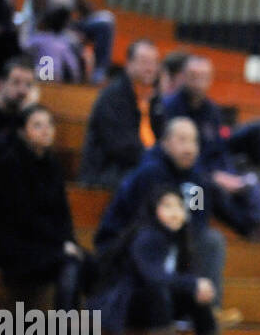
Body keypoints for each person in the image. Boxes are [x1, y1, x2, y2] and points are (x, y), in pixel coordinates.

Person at [90, 185, 253, 335]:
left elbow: (184, 277)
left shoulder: (181, 239)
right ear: (154, 209)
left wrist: (197, 287)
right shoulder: (146, 236)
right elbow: (153, 276)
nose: (175, 213)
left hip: (159, 308)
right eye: (167, 206)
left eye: (179, 207)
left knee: (195, 297)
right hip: (126, 307)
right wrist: (193, 284)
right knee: (160, 290)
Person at [155, 55, 260, 248]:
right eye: (193, 76)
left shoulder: (212, 110)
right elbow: (171, 155)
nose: (198, 82)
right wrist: (214, 176)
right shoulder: (168, 107)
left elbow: (219, 150)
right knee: (209, 190)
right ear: (183, 76)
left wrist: (230, 176)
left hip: (211, 171)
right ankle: (254, 229)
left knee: (249, 182)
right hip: (184, 177)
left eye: (203, 77)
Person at [95, 117, 229, 308]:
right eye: (182, 140)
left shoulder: (197, 182)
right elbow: (137, 222)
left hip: (174, 241)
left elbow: (199, 221)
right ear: (165, 143)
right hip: (132, 242)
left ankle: (208, 308)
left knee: (210, 240)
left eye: (194, 141)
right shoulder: (149, 174)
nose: (189, 148)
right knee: (153, 239)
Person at [0, 105, 85, 309]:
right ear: (22, 131)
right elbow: (22, 216)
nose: (46, 130)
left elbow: (63, 212)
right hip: (17, 245)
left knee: (87, 264)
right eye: (38, 125)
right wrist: (61, 245)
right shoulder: (9, 164)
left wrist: (69, 240)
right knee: (70, 264)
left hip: (47, 245)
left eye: (49, 124)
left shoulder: (53, 164)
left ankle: (65, 332)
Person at [79, 38, 161, 189]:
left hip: (145, 165)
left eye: (154, 62)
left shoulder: (156, 99)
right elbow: (121, 147)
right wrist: (157, 160)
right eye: (144, 62)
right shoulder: (113, 97)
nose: (150, 68)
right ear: (129, 64)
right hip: (108, 171)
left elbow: (163, 136)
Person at [0, 54, 39, 142]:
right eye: (16, 82)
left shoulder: (27, 116)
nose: (22, 90)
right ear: (0, 85)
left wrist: (29, 113)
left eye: (28, 84)